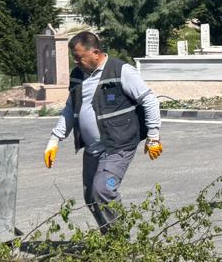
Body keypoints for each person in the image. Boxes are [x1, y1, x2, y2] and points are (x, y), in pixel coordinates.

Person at [43, 31, 163, 232]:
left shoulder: (121, 71)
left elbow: (149, 100)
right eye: (74, 57)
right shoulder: (77, 76)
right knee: (91, 196)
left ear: (95, 53)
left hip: (118, 145)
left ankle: (120, 241)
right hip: (93, 150)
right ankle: (111, 241)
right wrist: (54, 140)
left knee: (104, 189)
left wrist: (153, 136)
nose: (76, 61)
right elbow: (70, 109)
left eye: (79, 57)